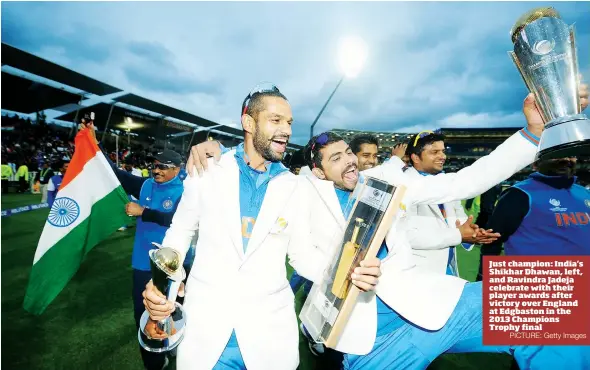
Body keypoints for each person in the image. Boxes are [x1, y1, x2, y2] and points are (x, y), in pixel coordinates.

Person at [186, 85, 590, 369]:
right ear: (317, 171)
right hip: (368, 344)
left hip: (433, 306)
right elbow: (290, 239)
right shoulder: (298, 191)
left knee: (563, 303)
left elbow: (464, 182)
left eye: (349, 154)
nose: (348, 162)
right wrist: (214, 148)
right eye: (335, 158)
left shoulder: (386, 183)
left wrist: (534, 134)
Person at [141, 84, 382, 370]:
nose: (286, 130)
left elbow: (302, 256)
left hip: (270, 341)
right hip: (206, 336)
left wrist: (349, 273)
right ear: (248, 122)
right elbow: (179, 233)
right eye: (276, 120)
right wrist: (162, 283)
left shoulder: (296, 187)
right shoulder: (207, 170)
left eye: (289, 122)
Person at [82, 122, 187, 370]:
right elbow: (115, 174)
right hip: (143, 263)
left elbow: (178, 220)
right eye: (153, 165)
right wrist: (95, 145)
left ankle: (172, 346)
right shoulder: (146, 185)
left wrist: (144, 212)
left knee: (173, 310)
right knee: (144, 313)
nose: (155, 169)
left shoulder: (185, 190)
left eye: (162, 166)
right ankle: (154, 362)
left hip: (176, 265)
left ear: (177, 169)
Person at [476, 156, 590, 281]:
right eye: (556, 155)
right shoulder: (518, 194)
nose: (566, 160)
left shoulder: (584, 193)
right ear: (536, 163)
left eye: (571, 156)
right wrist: (483, 279)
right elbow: (492, 241)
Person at [403, 131, 500, 276]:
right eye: (434, 152)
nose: (442, 156)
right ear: (416, 157)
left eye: (443, 151)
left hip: (448, 268)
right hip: (417, 272)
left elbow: (457, 219)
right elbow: (409, 237)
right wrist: (458, 235)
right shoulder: (403, 185)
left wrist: (472, 233)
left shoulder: (445, 182)